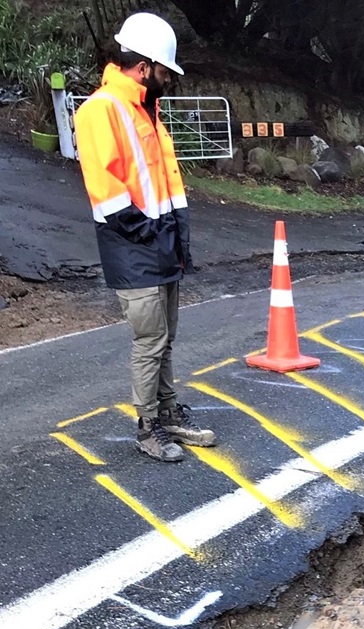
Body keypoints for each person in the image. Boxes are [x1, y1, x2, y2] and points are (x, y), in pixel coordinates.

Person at [75, 12, 216, 462]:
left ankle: (169, 412)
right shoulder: (102, 110)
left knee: (164, 339)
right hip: (135, 245)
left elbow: (163, 184)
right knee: (149, 341)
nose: (168, 81)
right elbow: (108, 192)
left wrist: (175, 237)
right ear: (143, 67)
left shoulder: (145, 112)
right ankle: (148, 427)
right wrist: (152, 234)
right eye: (164, 72)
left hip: (161, 242)